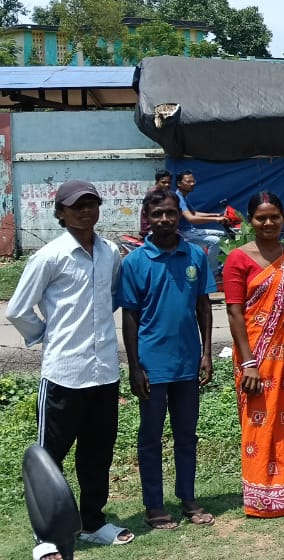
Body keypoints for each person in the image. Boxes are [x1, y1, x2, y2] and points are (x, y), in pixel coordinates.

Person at [7, 180, 133, 560]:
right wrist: (46, 334)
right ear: (60, 213)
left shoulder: (110, 252)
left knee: (97, 454)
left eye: (92, 203)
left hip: (104, 372)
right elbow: (17, 309)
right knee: (50, 458)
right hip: (64, 373)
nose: (86, 211)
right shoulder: (50, 256)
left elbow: (111, 296)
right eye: (77, 206)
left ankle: (92, 523)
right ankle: (46, 537)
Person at [120, 188, 217, 531]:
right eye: (157, 213)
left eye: (170, 212)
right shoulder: (134, 262)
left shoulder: (195, 255)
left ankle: (188, 498)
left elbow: (203, 305)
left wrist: (206, 353)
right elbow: (129, 317)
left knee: (186, 435)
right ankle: (154, 505)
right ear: (148, 218)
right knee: (150, 437)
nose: (164, 219)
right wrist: (134, 366)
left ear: (179, 215)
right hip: (152, 365)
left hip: (187, 362)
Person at [223, 191, 284, 518]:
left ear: (283, 218)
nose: (269, 223)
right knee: (260, 421)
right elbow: (234, 313)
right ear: (250, 221)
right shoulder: (238, 258)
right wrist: (248, 363)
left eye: (274, 216)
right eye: (261, 218)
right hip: (254, 355)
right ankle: (263, 496)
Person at [173, 169, 231, 273]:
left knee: (223, 235)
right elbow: (191, 218)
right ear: (179, 184)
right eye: (188, 181)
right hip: (184, 234)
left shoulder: (183, 196)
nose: (192, 184)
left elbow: (194, 213)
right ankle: (212, 272)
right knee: (215, 241)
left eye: (193, 181)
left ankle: (218, 265)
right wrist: (215, 219)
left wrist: (216, 215)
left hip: (191, 231)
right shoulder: (178, 198)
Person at [139, 169, 172, 236]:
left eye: (169, 182)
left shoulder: (164, 192)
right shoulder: (154, 194)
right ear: (157, 182)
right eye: (163, 182)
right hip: (150, 229)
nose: (167, 185)